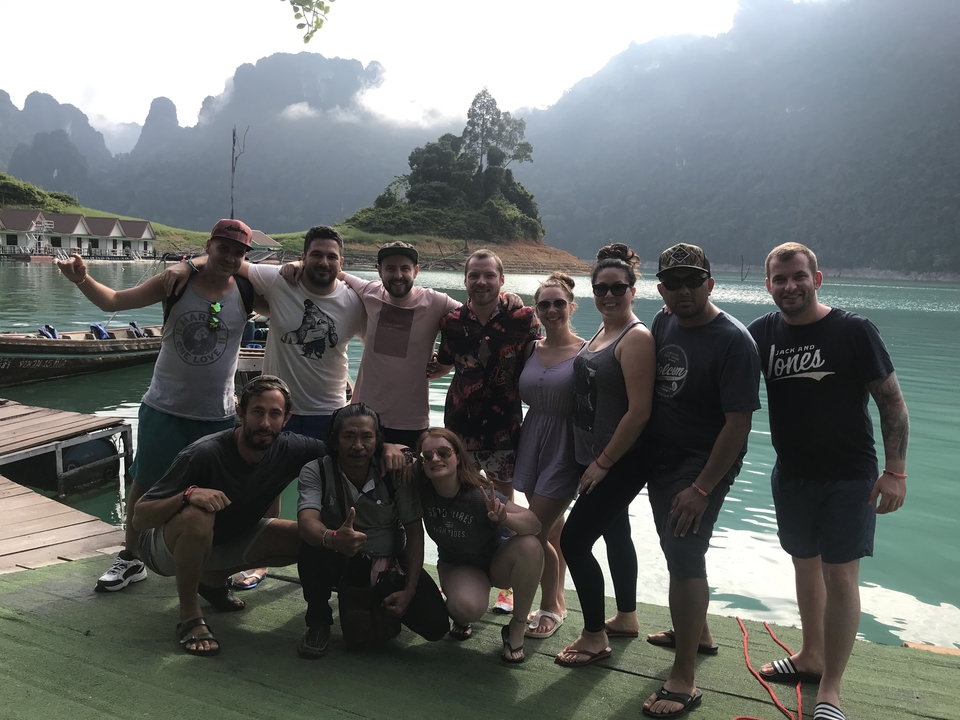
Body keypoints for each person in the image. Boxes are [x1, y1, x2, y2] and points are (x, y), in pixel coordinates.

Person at [131, 376, 407, 656]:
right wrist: (188, 494)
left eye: (274, 414)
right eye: (257, 412)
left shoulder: (291, 448)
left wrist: (387, 447)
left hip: (225, 542)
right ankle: (189, 615)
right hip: (164, 549)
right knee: (197, 516)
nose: (265, 423)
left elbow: (347, 452)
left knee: (309, 539)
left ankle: (212, 581)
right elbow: (140, 518)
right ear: (240, 413)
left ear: (286, 418)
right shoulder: (204, 453)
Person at [56, 219, 262, 594]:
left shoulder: (247, 293)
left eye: (238, 252)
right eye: (223, 248)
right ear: (209, 245)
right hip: (165, 406)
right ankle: (131, 558)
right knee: (145, 480)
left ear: (245, 256)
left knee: (217, 492)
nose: (229, 257)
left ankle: (212, 565)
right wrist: (81, 279)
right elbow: (114, 301)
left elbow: (293, 308)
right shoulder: (177, 284)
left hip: (217, 415)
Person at [748, 243, 909, 720]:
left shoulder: (854, 330)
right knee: (803, 564)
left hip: (849, 475)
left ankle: (830, 689)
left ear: (817, 279)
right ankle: (810, 656)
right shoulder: (762, 334)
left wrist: (895, 472)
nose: (789, 286)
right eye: (780, 279)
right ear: (768, 285)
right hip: (792, 474)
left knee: (840, 575)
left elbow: (892, 403)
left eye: (798, 276)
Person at [161, 225, 365, 589]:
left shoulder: (354, 301)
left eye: (331, 256)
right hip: (277, 409)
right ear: (303, 257)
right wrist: (187, 266)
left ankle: (335, 554)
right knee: (266, 484)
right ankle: (257, 562)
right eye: (315, 254)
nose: (323, 261)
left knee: (335, 490)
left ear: (341, 261)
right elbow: (227, 262)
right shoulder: (279, 279)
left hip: (327, 411)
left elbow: (384, 335)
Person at [639, 243, 761, 719]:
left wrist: (703, 487)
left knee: (686, 554)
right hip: (663, 459)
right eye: (673, 283)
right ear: (661, 289)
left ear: (711, 283)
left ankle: (683, 677)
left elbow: (738, 425)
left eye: (693, 281)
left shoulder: (734, 341)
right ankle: (698, 631)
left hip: (705, 463)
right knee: (674, 548)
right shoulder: (663, 321)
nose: (684, 291)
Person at [555, 244, 656, 667]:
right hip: (592, 454)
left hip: (618, 460)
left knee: (574, 541)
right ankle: (627, 617)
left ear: (634, 289)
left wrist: (604, 462)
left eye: (618, 288)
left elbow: (639, 412)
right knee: (616, 533)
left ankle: (594, 635)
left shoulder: (636, 337)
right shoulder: (601, 332)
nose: (609, 295)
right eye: (601, 289)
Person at [295, 403, 448, 658]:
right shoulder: (317, 470)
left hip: (389, 562)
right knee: (312, 547)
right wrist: (332, 539)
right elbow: (307, 521)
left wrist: (409, 592)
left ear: (378, 441)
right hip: (340, 556)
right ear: (334, 440)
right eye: (349, 436)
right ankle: (318, 621)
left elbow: (414, 532)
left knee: (436, 626)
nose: (358, 446)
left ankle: (381, 599)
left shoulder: (396, 472)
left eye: (367, 437)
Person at [416, 428, 543, 662]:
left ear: (457, 456)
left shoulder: (478, 493)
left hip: (497, 562)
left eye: (443, 452)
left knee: (530, 546)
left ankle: (516, 627)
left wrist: (505, 518)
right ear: (421, 464)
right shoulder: (420, 492)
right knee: (467, 608)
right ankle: (461, 615)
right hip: (458, 565)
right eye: (427, 456)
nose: (435, 459)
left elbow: (534, 524)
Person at [513, 272, 585, 639]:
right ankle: (558, 597)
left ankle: (549, 606)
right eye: (544, 303)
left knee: (534, 532)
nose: (552, 309)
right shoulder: (530, 347)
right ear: (535, 309)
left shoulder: (587, 352)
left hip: (564, 447)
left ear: (572, 306)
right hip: (531, 439)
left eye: (559, 303)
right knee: (551, 529)